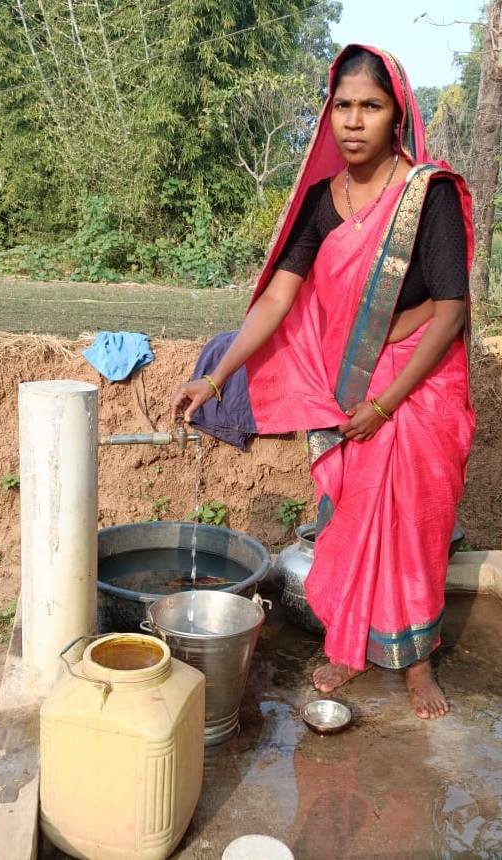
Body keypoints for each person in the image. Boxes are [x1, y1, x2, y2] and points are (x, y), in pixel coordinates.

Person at [171, 44, 475, 720]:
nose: (354, 121)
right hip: (348, 384)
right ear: (328, 114)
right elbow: (277, 301)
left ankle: (417, 663)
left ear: (397, 114)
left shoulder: (427, 196)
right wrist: (214, 379)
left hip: (417, 385)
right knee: (345, 518)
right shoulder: (319, 201)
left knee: (414, 526)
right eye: (343, 106)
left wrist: (385, 404)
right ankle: (349, 645)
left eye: (371, 106)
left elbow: (450, 311)